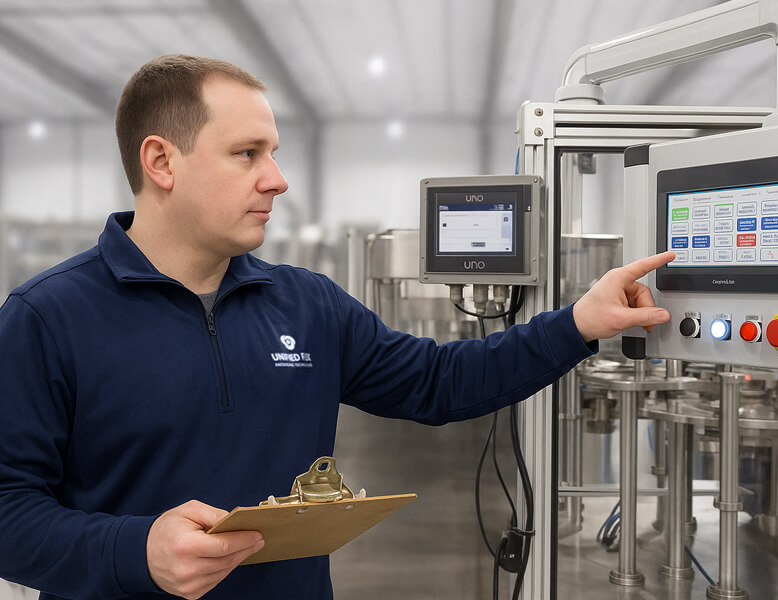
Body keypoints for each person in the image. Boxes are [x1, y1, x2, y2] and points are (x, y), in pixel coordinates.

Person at [0, 54, 674, 600]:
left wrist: (578, 324)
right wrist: (136, 552)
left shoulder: (306, 305)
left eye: (276, 152)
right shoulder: (48, 317)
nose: (279, 180)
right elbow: (8, 511)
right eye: (248, 154)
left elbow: (441, 382)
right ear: (161, 162)